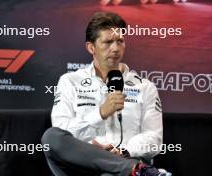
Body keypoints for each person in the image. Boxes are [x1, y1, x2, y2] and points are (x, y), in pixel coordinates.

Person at [42, 11, 167, 176]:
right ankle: (134, 170)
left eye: (120, 41)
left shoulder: (145, 87)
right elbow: (62, 132)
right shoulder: (69, 81)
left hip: (124, 165)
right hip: (80, 167)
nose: (115, 48)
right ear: (91, 47)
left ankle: (130, 169)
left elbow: (154, 139)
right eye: (108, 42)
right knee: (51, 137)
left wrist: (122, 151)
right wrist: (100, 113)